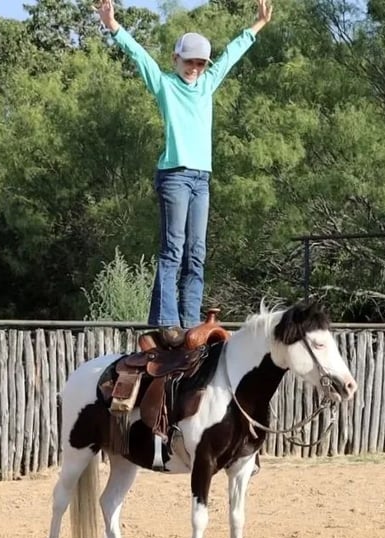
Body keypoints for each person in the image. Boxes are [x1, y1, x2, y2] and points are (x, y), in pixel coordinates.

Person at [97, 0, 273, 330]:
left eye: (200, 63)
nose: (195, 67)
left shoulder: (207, 84)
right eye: (189, 61)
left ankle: (191, 322)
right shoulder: (164, 84)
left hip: (201, 179)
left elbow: (231, 54)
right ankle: (167, 321)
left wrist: (258, 24)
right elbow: (139, 55)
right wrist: (113, 26)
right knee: (173, 249)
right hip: (175, 176)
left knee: (197, 252)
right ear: (175, 59)